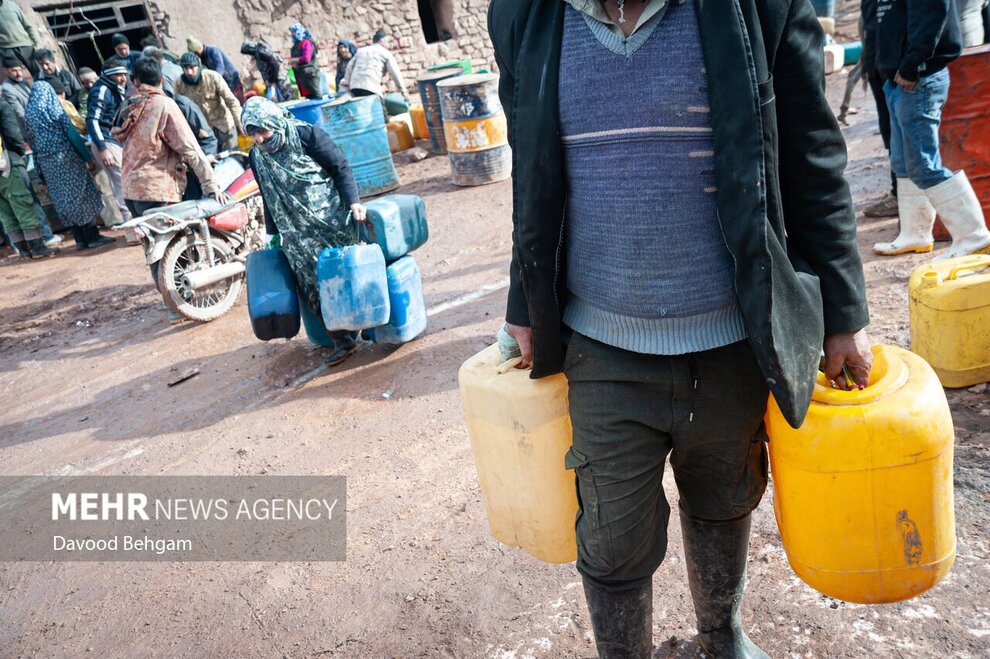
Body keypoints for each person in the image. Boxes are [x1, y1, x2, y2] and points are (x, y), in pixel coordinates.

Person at [489, 1, 874, 656]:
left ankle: (721, 632)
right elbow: (535, 170)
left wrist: (843, 309)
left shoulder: (761, 7)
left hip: (731, 338)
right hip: (602, 345)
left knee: (724, 497)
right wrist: (523, 303)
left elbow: (812, 152)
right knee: (610, 539)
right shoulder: (522, 15)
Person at [241, 97, 369, 366]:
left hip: (331, 220)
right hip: (296, 234)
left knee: (346, 273)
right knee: (312, 285)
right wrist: (271, 232)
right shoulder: (257, 156)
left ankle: (368, 321)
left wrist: (354, 201)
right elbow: (267, 194)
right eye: (253, 135)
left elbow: (339, 166)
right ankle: (342, 341)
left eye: (263, 131)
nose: (260, 139)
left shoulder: (304, 134)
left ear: (274, 122)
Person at [874, 0, 990, 259]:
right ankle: (914, 233)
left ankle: (974, 235)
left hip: (917, 79)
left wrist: (912, 66)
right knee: (903, 162)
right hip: (897, 78)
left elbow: (930, 16)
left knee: (923, 164)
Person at [113, 57, 225, 323]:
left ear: (135, 82)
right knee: (173, 244)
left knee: (154, 247)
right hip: (158, 188)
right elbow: (190, 148)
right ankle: (181, 303)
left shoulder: (129, 106)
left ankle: (172, 304)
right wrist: (211, 185)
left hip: (131, 188)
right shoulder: (164, 105)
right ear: (162, 80)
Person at [25, 81, 114, 250]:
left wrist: (39, 170)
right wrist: (86, 157)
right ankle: (92, 237)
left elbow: (33, 145)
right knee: (81, 195)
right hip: (67, 160)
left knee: (64, 201)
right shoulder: (54, 109)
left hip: (47, 165)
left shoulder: (29, 116)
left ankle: (80, 240)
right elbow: (72, 134)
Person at [0, 95, 56, 257]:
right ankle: (37, 247)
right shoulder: (2, 106)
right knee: (23, 204)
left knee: (5, 211)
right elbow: (12, 133)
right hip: (7, 164)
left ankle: (23, 251)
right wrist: (20, 152)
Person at [86, 60, 132, 223]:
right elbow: (92, 121)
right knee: (122, 185)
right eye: (118, 75)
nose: (123, 78)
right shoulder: (101, 90)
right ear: (109, 75)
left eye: (124, 74)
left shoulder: (114, 88)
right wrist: (103, 148)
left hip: (114, 142)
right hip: (108, 143)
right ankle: (132, 229)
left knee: (124, 182)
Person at [175, 51, 243, 151]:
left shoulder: (213, 77)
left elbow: (231, 101)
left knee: (233, 157)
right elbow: (179, 110)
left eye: (192, 67)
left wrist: (240, 121)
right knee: (213, 161)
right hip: (204, 132)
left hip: (224, 125)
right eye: (185, 68)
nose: (189, 72)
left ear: (198, 66)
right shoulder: (179, 85)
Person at [339, 29, 410, 100]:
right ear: (381, 41)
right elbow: (395, 73)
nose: (389, 45)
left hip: (355, 87)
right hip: (371, 87)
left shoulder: (361, 51)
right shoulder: (385, 53)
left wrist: (347, 83)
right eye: (388, 42)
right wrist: (404, 92)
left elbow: (349, 67)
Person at [0, 0, 41, 77]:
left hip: (25, 46)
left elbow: (27, 25)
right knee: (16, 76)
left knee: (39, 73)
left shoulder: (11, 5)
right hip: (6, 50)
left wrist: (37, 42)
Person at [287, 23, 322, 98]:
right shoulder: (296, 45)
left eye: (293, 32)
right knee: (308, 97)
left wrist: (294, 60)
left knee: (316, 96)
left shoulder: (306, 43)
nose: (292, 34)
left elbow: (306, 58)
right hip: (301, 76)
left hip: (310, 75)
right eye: (291, 32)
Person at [1, 55, 31, 123]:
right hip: (30, 124)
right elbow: (19, 112)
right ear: (6, 71)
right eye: (14, 71)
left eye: (20, 70)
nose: (19, 74)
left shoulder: (24, 81)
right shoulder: (7, 88)